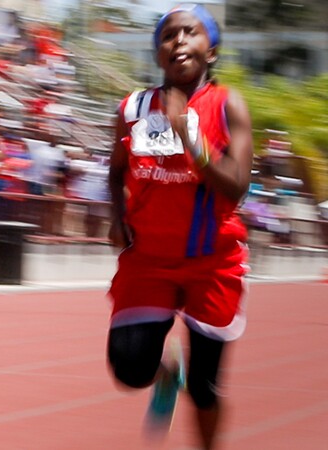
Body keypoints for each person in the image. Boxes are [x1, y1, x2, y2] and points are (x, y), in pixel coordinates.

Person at [106, 6, 252, 449]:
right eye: (169, 35)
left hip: (212, 261)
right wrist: (116, 215)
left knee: (206, 387)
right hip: (148, 258)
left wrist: (188, 134)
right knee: (129, 368)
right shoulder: (132, 107)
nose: (179, 40)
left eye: (191, 33)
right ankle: (167, 375)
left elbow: (238, 186)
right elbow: (114, 170)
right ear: (158, 52)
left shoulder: (229, 104)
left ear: (212, 51)